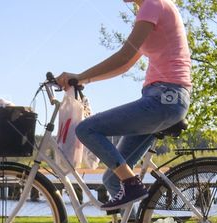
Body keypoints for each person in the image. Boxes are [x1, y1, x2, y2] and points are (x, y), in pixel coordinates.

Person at [57, 0, 191, 212]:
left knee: (86, 128)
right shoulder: (150, 10)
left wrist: (81, 76)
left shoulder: (153, 5)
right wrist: (84, 80)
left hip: (165, 98)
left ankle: (132, 184)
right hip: (160, 98)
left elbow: (124, 55)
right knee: (112, 178)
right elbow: (126, 64)